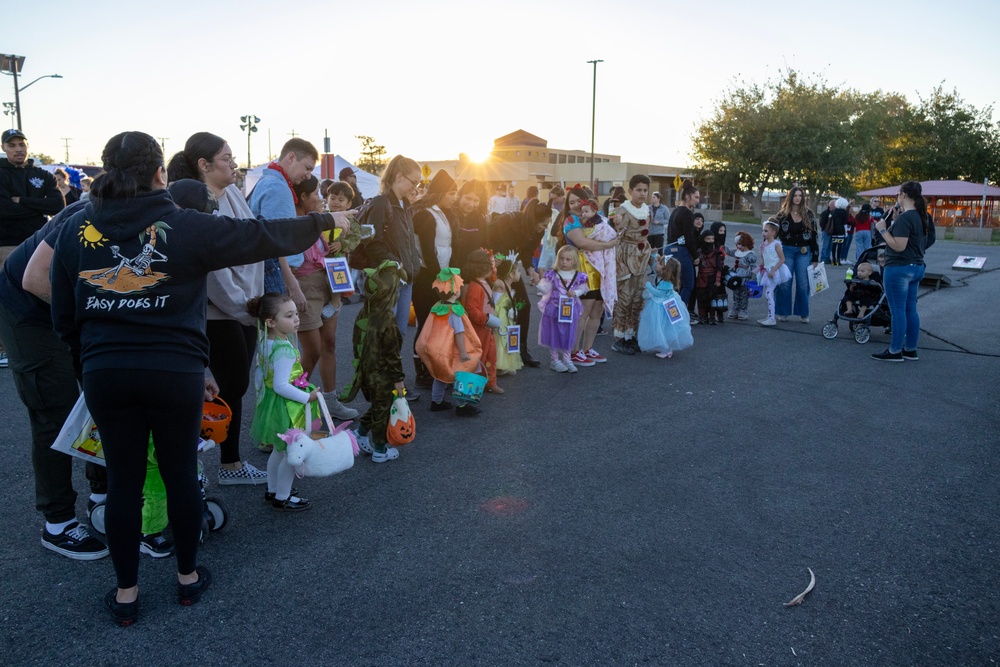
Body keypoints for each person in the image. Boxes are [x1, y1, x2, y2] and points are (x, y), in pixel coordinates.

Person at [48, 131, 350, 625]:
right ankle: (187, 579)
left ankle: (127, 594)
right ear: (161, 174)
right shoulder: (184, 224)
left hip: (107, 372)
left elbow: (64, 315)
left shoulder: (76, 227)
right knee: (179, 475)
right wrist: (322, 221)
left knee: (123, 482)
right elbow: (262, 236)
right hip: (174, 372)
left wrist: (91, 363)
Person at [0, 199, 108, 560]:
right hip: (27, 307)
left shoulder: (150, 219)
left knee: (99, 394)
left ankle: (103, 492)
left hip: (67, 305)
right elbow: (34, 280)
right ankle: (58, 522)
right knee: (55, 411)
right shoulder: (89, 214)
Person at [166, 131, 271, 482]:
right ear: (204, 165)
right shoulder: (194, 203)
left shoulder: (234, 195)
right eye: (226, 158)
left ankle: (231, 463)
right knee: (217, 388)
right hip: (217, 312)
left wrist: (254, 302)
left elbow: (253, 242)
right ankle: (190, 464)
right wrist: (245, 306)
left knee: (235, 387)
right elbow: (214, 273)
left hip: (246, 307)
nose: (234, 163)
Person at [288, 175, 359, 421]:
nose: (324, 199)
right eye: (319, 194)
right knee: (313, 350)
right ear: (303, 198)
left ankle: (331, 400)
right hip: (306, 287)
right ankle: (292, 403)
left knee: (328, 344)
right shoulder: (294, 223)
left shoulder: (319, 222)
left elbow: (350, 243)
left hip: (330, 282)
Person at [248, 293, 321, 511]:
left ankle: (273, 489)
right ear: (271, 322)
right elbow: (281, 385)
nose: (296, 319)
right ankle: (283, 496)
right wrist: (307, 397)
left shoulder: (266, 342)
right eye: (289, 316)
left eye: (296, 314)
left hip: (272, 404)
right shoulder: (285, 350)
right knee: (291, 453)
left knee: (278, 451)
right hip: (285, 406)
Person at [1, 128, 65, 368]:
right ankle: (5, 349)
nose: (18, 149)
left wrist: (22, 201)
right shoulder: (1, 173)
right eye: (12, 145)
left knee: (41, 291)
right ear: (4, 148)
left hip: (39, 246)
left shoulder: (42, 174)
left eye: (21, 144)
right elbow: (3, 209)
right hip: (6, 244)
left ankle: (49, 343)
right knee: (10, 298)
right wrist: (38, 208)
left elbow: (58, 205)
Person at [360, 154, 422, 399]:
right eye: (413, 182)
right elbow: (370, 243)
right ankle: (386, 387)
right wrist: (396, 264)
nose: (416, 187)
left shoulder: (404, 204)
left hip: (404, 279)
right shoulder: (381, 203)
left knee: (398, 335)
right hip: (389, 280)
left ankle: (393, 385)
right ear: (398, 177)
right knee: (387, 335)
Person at [340, 260, 409, 461]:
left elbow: (356, 341)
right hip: (383, 374)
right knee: (384, 410)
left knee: (381, 404)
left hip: (366, 368)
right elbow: (392, 355)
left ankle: (360, 432)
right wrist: (398, 380)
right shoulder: (388, 319)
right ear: (391, 292)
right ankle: (380, 449)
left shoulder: (365, 311)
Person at [249, 138, 320, 309]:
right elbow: (275, 242)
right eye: (307, 168)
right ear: (291, 157)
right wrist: (292, 285)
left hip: (273, 272)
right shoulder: (278, 188)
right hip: (277, 274)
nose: (308, 175)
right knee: (280, 332)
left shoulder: (268, 182)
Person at [870, 181, 935, 362]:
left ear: (904, 195)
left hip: (899, 268)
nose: (897, 197)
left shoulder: (906, 218)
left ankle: (895, 350)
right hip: (916, 266)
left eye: (899, 193)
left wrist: (882, 230)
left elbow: (898, 246)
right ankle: (910, 349)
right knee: (910, 310)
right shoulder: (922, 216)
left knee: (897, 311)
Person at [485, 199, 553, 368]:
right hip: (491, 269)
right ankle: (486, 353)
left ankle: (521, 349)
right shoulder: (507, 222)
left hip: (510, 271)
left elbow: (527, 252)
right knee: (492, 309)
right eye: (543, 225)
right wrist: (492, 261)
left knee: (523, 306)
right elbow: (486, 240)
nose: (544, 229)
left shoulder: (536, 232)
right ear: (533, 220)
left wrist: (531, 270)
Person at [558, 188, 617, 364]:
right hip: (583, 270)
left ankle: (587, 348)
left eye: (579, 201)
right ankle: (574, 351)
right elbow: (583, 243)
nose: (576, 205)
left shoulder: (594, 217)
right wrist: (608, 244)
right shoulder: (571, 220)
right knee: (583, 311)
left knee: (597, 311)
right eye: (572, 202)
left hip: (600, 269)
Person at [412, 169, 459, 386]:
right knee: (425, 325)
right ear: (440, 193)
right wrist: (441, 278)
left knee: (434, 325)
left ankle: (431, 369)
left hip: (438, 275)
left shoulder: (439, 212)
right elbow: (429, 252)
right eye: (451, 194)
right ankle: (421, 372)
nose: (454, 198)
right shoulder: (426, 215)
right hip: (426, 278)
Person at [415, 267, 482, 416]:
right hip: (454, 351)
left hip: (439, 350)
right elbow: (459, 333)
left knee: (440, 376)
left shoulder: (437, 307)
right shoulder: (455, 313)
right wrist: (464, 352)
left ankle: (436, 402)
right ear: (457, 291)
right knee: (461, 375)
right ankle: (462, 405)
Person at [609, 175, 651, 353]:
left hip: (641, 256)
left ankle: (630, 335)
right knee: (624, 298)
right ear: (630, 191)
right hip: (625, 257)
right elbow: (614, 233)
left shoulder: (647, 210)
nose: (642, 194)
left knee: (637, 299)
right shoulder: (621, 211)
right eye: (639, 190)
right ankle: (618, 337)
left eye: (645, 190)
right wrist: (615, 222)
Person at [538, 245, 588, 372]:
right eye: (562, 258)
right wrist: (537, 283)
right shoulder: (552, 274)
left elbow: (584, 288)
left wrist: (576, 293)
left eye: (568, 259)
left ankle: (567, 358)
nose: (564, 262)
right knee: (554, 333)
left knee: (569, 333)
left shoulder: (578, 276)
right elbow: (545, 289)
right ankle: (554, 360)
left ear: (575, 261)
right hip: (554, 308)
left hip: (570, 309)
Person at [773, 186, 818, 323]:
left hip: (804, 252)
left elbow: (814, 236)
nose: (797, 198)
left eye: (800, 195)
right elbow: (773, 233)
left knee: (803, 284)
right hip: (786, 250)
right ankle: (782, 311)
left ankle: (803, 313)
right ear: (790, 197)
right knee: (785, 282)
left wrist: (815, 257)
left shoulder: (809, 214)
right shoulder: (782, 215)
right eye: (795, 195)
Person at [461, 249, 503, 393]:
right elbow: (471, 309)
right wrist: (485, 319)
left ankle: (490, 382)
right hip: (480, 328)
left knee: (490, 354)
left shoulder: (483, 283)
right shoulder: (475, 286)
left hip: (487, 327)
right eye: (489, 265)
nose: (492, 268)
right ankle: (473, 386)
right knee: (479, 356)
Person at [637, 256, 693, 359]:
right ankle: (667, 349)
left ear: (665, 269)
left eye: (658, 263)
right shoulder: (663, 278)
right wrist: (653, 255)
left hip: (663, 307)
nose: (656, 265)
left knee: (663, 327)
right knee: (666, 327)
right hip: (668, 305)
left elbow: (659, 293)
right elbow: (654, 267)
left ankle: (666, 349)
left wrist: (649, 286)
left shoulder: (666, 283)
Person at [665, 180, 700, 311]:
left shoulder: (675, 211)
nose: (698, 200)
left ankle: (668, 311)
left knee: (671, 285)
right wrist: (695, 256)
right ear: (687, 196)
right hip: (681, 251)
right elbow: (689, 237)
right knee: (688, 284)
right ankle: (677, 313)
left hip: (669, 249)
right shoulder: (687, 213)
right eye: (696, 197)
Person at [492, 253, 524, 376]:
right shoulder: (501, 284)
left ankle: (504, 362)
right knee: (500, 338)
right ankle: (497, 364)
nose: (520, 274)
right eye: (518, 271)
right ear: (511, 274)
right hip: (499, 316)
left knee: (506, 339)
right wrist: (493, 264)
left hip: (506, 316)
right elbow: (492, 280)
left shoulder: (509, 286)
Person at [757, 219, 791, 326]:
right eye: (763, 231)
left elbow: (782, 259)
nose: (764, 233)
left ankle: (772, 319)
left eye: (766, 231)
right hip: (767, 270)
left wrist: (773, 270)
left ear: (773, 232)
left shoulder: (776, 244)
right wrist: (760, 268)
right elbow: (765, 259)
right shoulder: (764, 244)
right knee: (768, 294)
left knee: (768, 294)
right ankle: (770, 316)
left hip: (774, 271)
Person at [452, 179, 489, 271]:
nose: (471, 204)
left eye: (476, 200)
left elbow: (485, 245)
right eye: (468, 198)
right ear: (460, 196)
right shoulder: (449, 215)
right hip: (450, 271)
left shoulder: (481, 220)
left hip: (472, 272)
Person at [695, 229, 726, 325]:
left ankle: (712, 317)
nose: (710, 241)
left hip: (712, 278)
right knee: (701, 297)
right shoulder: (699, 252)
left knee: (712, 297)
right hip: (701, 277)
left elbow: (719, 268)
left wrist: (718, 280)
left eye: (712, 239)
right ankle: (702, 316)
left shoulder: (716, 253)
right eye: (708, 239)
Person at [727, 231, 757, 320]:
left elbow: (753, 267)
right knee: (736, 294)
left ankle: (743, 310)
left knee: (744, 295)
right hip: (736, 277)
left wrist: (754, 277)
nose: (739, 247)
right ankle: (735, 309)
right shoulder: (737, 252)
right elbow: (729, 252)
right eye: (738, 244)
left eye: (741, 244)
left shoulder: (750, 255)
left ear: (747, 243)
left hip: (745, 277)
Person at [829, 198, 849, 266]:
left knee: (834, 245)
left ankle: (833, 259)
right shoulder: (845, 212)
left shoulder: (833, 211)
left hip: (834, 230)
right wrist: (846, 232)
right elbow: (845, 223)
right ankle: (838, 260)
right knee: (840, 245)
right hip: (841, 230)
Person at [819, 199, 835, 264]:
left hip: (832, 232)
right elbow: (821, 222)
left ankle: (827, 258)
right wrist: (825, 228)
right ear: (830, 205)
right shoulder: (825, 213)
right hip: (825, 231)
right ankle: (823, 258)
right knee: (825, 245)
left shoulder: (834, 213)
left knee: (830, 245)